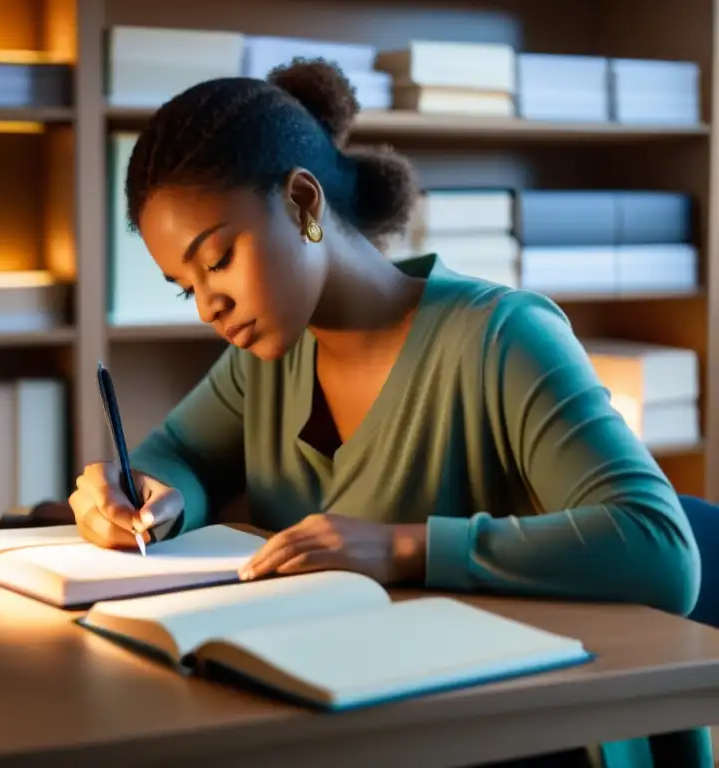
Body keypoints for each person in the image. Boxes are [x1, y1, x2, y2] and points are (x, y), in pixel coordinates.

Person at [67, 59, 706, 767]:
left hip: (522, 734)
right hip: (345, 717)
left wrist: (400, 547)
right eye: (187, 288)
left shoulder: (500, 337)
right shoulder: (267, 360)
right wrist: (148, 492)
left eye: (217, 259)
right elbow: (175, 453)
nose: (210, 305)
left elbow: (660, 549)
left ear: (303, 204)